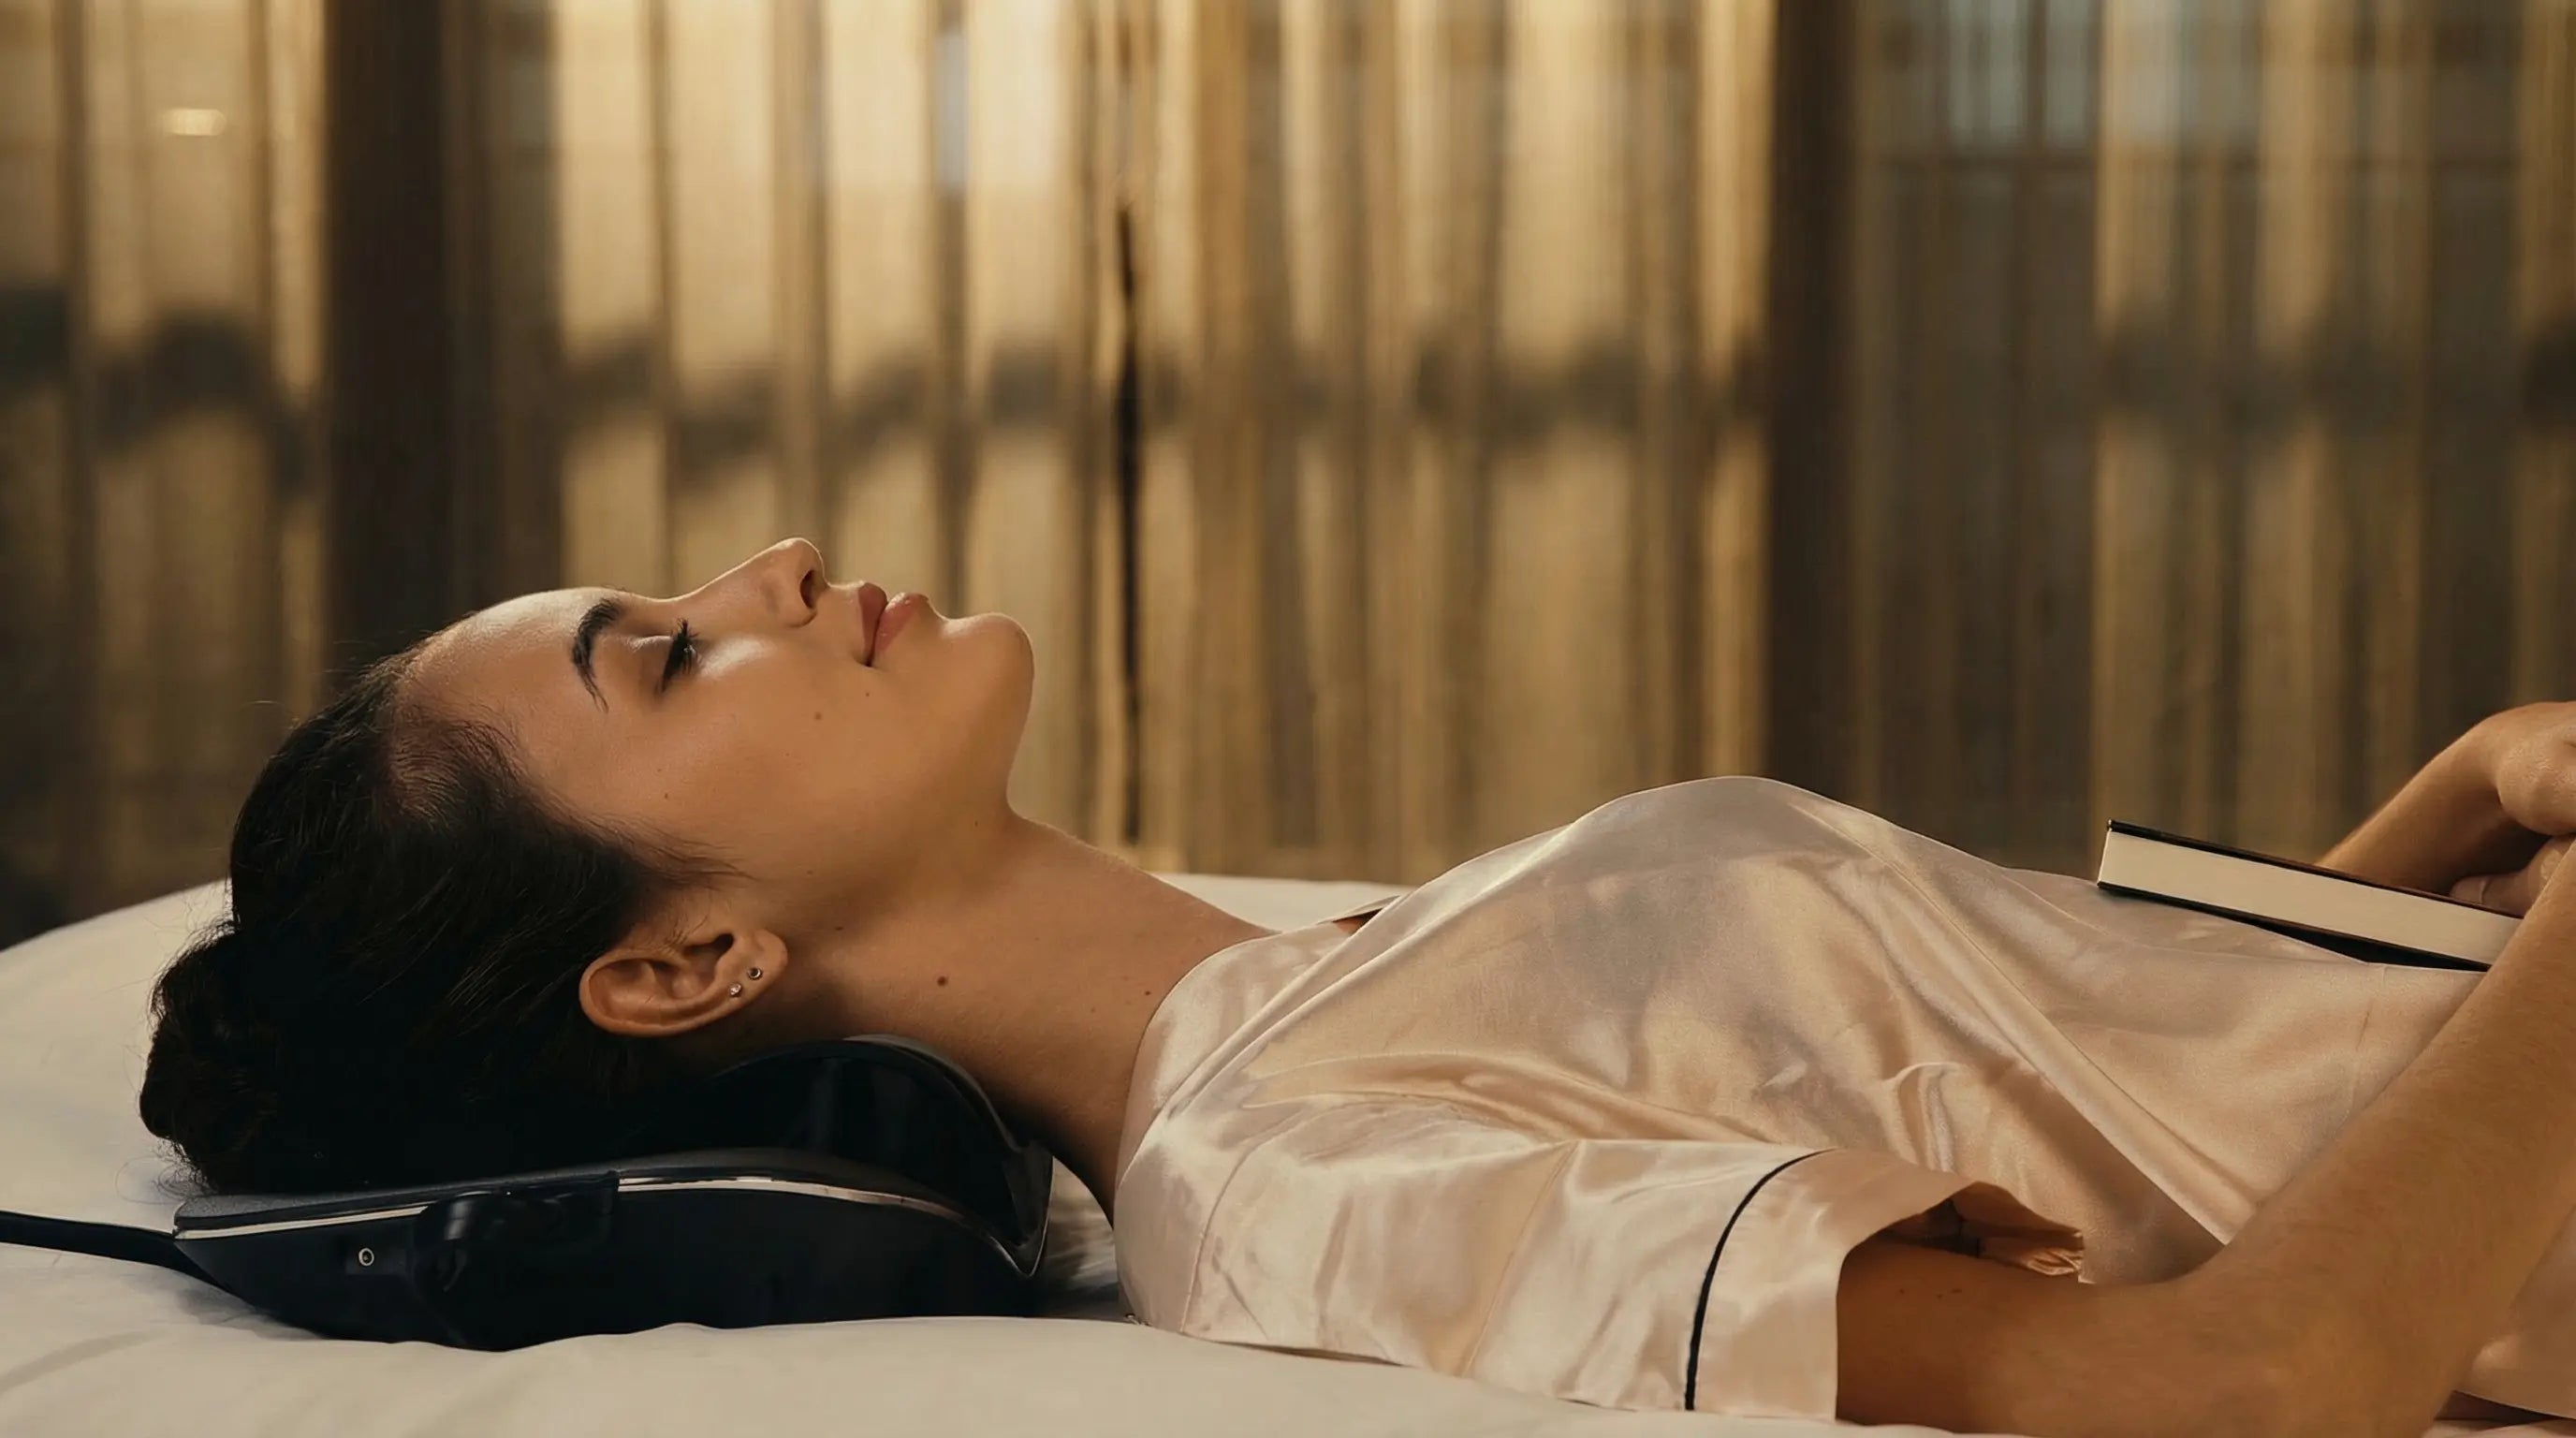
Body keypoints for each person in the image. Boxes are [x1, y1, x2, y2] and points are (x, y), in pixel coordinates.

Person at [139, 536, 2576, 1437]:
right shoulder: (1299, 1188)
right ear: (685, 963)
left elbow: (2105, 1091)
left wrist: (2459, 806)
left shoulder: (1343, 979)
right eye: (667, 657)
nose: (765, 569)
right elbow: (2243, 1385)